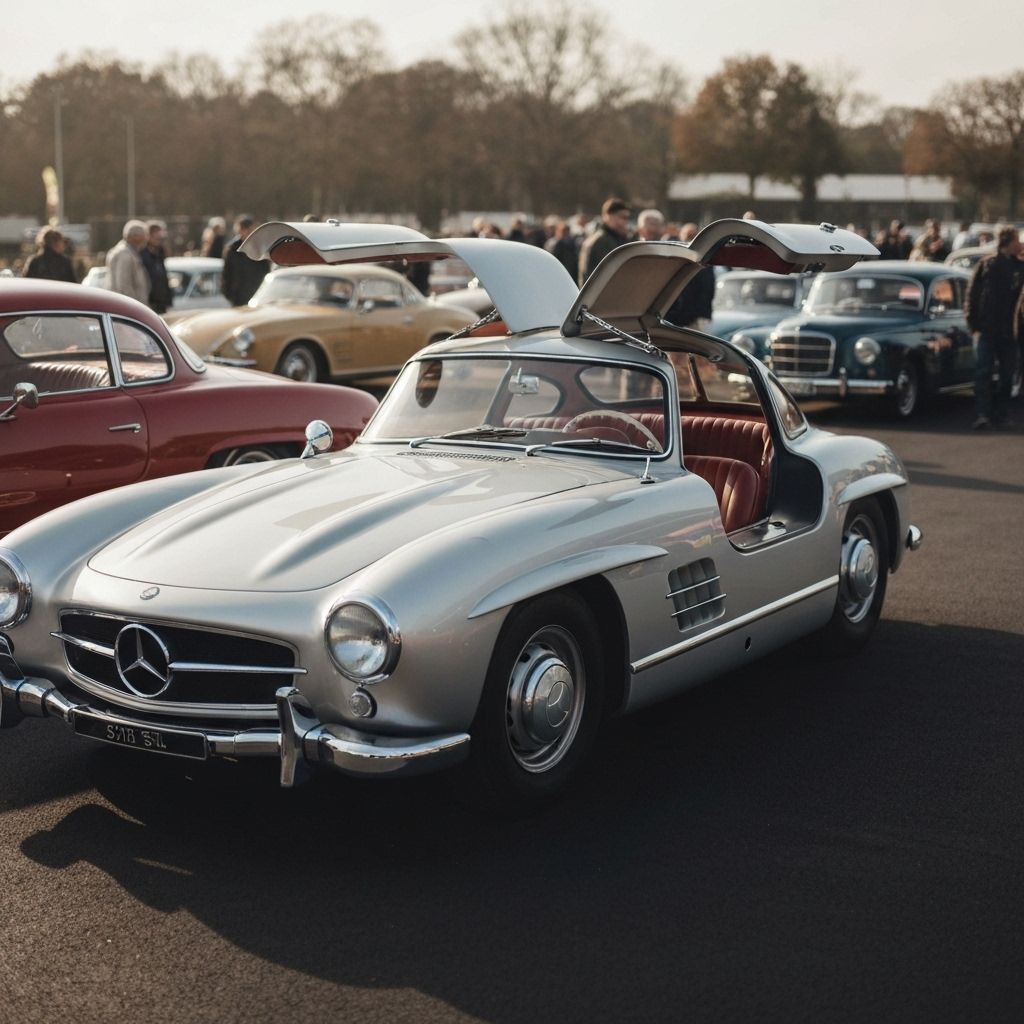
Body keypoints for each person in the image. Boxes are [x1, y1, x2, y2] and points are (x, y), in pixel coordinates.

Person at [965, 226, 1023, 429]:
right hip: (986, 329)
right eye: (1017, 240)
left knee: (1007, 374)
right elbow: (972, 294)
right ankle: (983, 414)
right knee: (983, 372)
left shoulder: (1019, 267)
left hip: (1009, 330)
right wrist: (972, 323)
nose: (1020, 244)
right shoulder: (986, 264)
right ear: (1008, 242)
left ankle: (1001, 413)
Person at [666, 222, 715, 331]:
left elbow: (706, 289)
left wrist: (700, 315)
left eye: (691, 235)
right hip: (680, 317)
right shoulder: (679, 255)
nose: (689, 238)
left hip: (696, 317)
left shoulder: (704, 257)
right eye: (687, 235)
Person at [578, 198, 632, 285]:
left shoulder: (623, 239)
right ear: (607, 216)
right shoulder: (596, 242)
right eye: (621, 217)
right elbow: (587, 280)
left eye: (627, 218)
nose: (624, 222)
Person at [222, 215, 270, 307]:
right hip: (238, 297)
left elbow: (265, 270)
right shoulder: (231, 249)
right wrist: (229, 294)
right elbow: (226, 274)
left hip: (256, 296)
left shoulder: (259, 247)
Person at [105, 220, 150, 304]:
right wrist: (133, 305)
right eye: (144, 235)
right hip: (126, 306)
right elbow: (123, 285)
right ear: (134, 236)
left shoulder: (130, 252)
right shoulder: (124, 254)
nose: (146, 239)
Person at [140, 221, 173, 314]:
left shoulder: (160, 253)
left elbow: (163, 277)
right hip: (150, 302)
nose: (159, 239)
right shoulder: (143, 254)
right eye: (156, 236)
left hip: (161, 302)